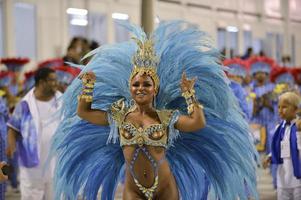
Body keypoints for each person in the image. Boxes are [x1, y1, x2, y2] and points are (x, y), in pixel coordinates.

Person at [52, 21, 258, 200]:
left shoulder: (166, 117)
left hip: (166, 187)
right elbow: (85, 112)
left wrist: (189, 94)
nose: (140, 88)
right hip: (133, 189)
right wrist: (88, 87)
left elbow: (198, 123)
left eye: (146, 84)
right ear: (129, 87)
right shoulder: (119, 116)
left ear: (155, 89)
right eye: (136, 84)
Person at [6, 67, 62, 200]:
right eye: (52, 80)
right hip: (32, 167)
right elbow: (13, 129)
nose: (56, 83)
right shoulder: (25, 104)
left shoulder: (63, 101)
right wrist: (11, 147)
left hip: (57, 163)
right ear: (42, 82)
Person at [263, 92, 301, 200]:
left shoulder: (299, 127)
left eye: (284, 107)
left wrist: (298, 133)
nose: (280, 110)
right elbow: (279, 148)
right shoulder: (279, 128)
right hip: (282, 178)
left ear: (296, 109)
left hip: (298, 180)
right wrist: (270, 156)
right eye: (279, 107)